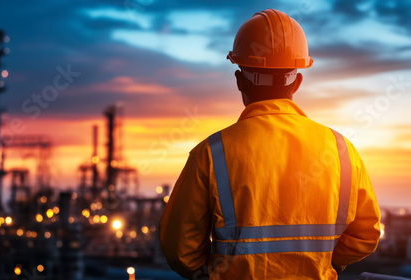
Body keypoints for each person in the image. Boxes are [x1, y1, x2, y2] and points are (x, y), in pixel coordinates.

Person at [159, 8, 381, 280]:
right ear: (297, 82)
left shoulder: (211, 153)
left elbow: (180, 249)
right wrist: (324, 262)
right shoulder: (342, 150)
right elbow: (366, 235)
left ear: (240, 81)